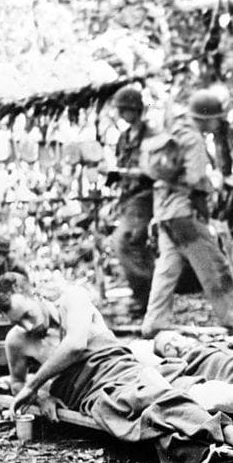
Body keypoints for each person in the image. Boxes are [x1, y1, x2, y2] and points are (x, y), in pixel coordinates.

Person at [0, 272, 233, 463]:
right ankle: (232, 434)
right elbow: (17, 385)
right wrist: (40, 398)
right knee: (129, 411)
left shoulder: (72, 300)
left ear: (36, 294)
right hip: (90, 396)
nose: (28, 327)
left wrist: (33, 385)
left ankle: (230, 431)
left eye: (28, 315)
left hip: (121, 369)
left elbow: (75, 345)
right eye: (18, 322)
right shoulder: (16, 340)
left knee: (155, 394)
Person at [141, 88, 233, 338]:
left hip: (164, 211)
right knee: (214, 266)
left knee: (168, 268)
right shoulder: (194, 139)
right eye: (217, 118)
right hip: (183, 214)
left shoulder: (173, 129)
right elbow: (196, 178)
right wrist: (214, 183)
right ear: (207, 118)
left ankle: (153, 322)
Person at [105, 86, 156, 313]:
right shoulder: (123, 138)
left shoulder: (151, 136)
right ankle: (147, 299)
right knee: (136, 246)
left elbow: (154, 171)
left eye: (125, 110)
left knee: (123, 242)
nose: (122, 114)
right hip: (129, 198)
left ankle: (145, 297)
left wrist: (125, 173)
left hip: (148, 196)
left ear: (135, 109)